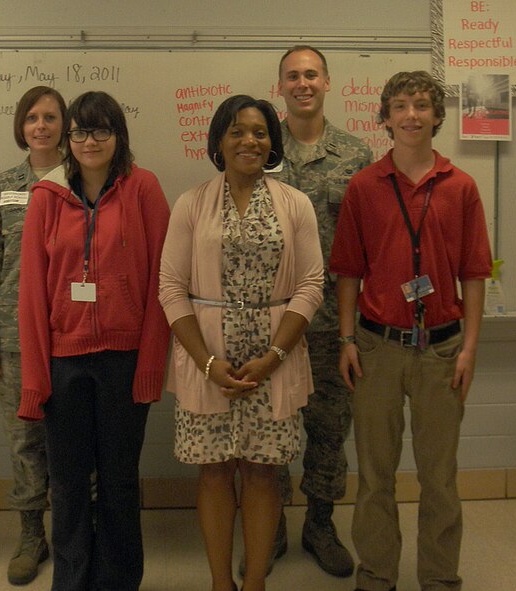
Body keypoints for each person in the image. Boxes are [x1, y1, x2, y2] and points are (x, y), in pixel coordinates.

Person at [330, 71, 492, 591]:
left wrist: (469, 348)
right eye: (400, 106)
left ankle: (440, 579)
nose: (411, 116)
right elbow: (349, 271)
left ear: (437, 115)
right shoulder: (364, 186)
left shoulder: (461, 187)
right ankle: (376, 576)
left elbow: (473, 272)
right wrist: (348, 339)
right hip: (377, 348)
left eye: (422, 105)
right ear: (385, 117)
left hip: (442, 350)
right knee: (375, 477)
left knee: (439, 479)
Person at [159, 95, 324, 591]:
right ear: (219, 141)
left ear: (272, 142)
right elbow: (170, 287)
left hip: (273, 357)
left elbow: (311, 283)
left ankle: (253, 582)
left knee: (261, 472)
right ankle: (219, 583)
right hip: (207, 357)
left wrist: (274, 356)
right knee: (212, 472)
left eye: (259, 132)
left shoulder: (295, 203)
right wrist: (208, 363)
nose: (248, 140)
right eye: (236, 131)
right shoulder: (191, 203)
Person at [17, 90, 171, 591]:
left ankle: (119, 581)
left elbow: (162, 284)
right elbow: (32, 296)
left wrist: (151, 364)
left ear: (119, 135)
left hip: (124, 360)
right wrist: (36, 378)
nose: (89, 140)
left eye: (101, 129)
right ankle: (72, 579)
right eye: (80, 130)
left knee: (120, 482)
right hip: (65, 362)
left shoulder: (143, 188)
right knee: (67, 485)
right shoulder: (46, 196)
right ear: (68, 139)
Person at [264, 44, 373, 579]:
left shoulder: (356, 157)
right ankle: (271, 529)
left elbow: (369, 247)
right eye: (292, 76)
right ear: (278, 87)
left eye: (311, 74)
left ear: (328, 82)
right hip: (269, 322)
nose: (302, 83)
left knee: (329, 433)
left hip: (333, 324)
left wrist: (358, 330)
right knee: (269, 430)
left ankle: (321, 525)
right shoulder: (257, 147)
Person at [0, 86, 66, 585]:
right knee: (26, 442)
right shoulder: (2, 186)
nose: (41, 126)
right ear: (21, 126)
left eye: (51, 117)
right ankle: (32, 535)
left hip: (70, 336)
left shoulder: (84, 178)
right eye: (32, 117)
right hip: (14, 336)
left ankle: (76, 533)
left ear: (64, 125)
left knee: (71, 440)